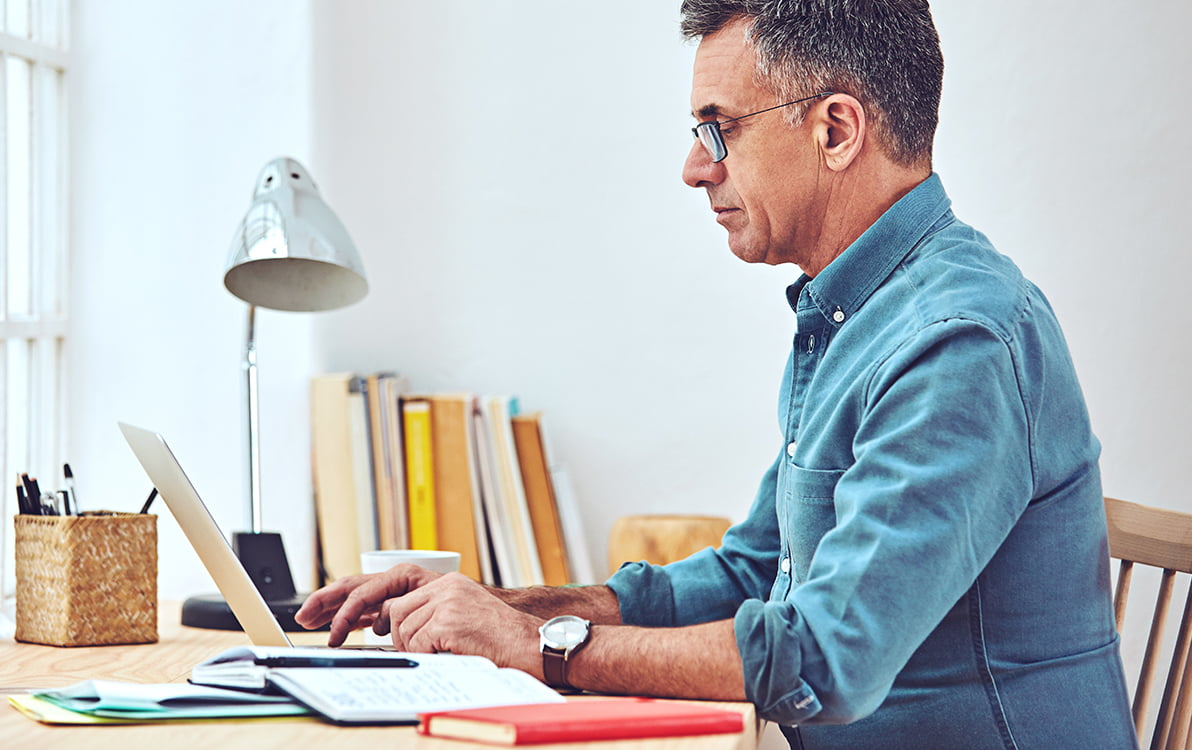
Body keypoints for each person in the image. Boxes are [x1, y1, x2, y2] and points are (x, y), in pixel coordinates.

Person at [296, 2, 1139, 747]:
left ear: (836, 130)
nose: (696, 169)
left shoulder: (958, 343)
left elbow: (826, 657)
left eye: (718, 128)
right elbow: (751, 572)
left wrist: (533, 650)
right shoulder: (855, 316)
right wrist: (503, 607)